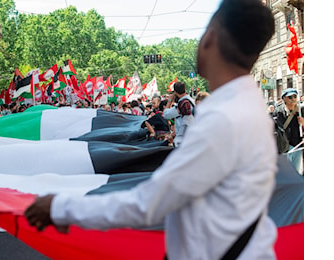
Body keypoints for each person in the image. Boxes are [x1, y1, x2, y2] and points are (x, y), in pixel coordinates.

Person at [25, 0, 277, 259]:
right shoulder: (249, 107)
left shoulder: (225, 117)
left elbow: (149, 203)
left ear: (210, 37)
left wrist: (61, 207)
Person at [274, 88, 304, 174]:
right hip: (283, 147)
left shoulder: (301, 110)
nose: (293, 99)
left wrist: (304, 123)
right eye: (290, 97)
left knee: (296, 173)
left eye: (295, 96)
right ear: (284, 99)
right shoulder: (278, 111)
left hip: (297, 146)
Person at [163, 82, 195, 147]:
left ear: (175, 92)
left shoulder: (182, 104)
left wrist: (169, 101)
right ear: (185, 89)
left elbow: (166, 115)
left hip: (183, 138)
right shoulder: (192, 101)